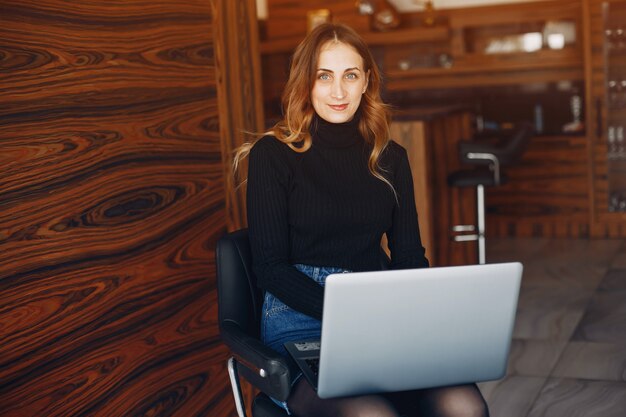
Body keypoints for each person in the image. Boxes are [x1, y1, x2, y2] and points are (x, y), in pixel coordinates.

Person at [234, 23, 489, 417]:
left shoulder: (391, 158)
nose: (338, 92)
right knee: (370, 414)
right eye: (324, 76)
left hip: (377, 312)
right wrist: (349, 317)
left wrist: (421, 318)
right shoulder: (274, 154)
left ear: (366, 81)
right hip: (298, 317)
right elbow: (270, 268)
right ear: (306, 83)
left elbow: (408, 257)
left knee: (463, 405)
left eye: (350, 75)